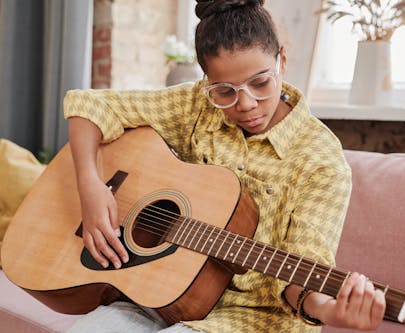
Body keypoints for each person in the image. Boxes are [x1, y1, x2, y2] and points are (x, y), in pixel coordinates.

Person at [64, 0, 386, 332]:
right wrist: (90, 186)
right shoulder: (197, 105)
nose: (246, 104)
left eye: (260, 83)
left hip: (255, 318)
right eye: (224, 91)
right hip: (163, 290)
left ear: (282, 61)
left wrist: (328, 309)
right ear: (207, 84)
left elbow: (305, 268)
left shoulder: (321, 160)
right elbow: (88, 105)